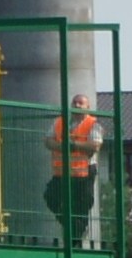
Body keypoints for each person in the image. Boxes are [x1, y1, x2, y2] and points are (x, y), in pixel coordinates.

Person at [43, 91, 102, 246]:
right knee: (51, 197)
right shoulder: (60, 122)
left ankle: (74, 241)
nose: (76, 105)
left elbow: (94, 146)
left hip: (85, 172)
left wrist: (72, 145)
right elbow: (48, 141)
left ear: (87, 107)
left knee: (82, 204)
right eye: (74, 102)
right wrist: (68, 147)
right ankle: (72, 228)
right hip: (63, 172)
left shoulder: (93, 124)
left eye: (80, 103)